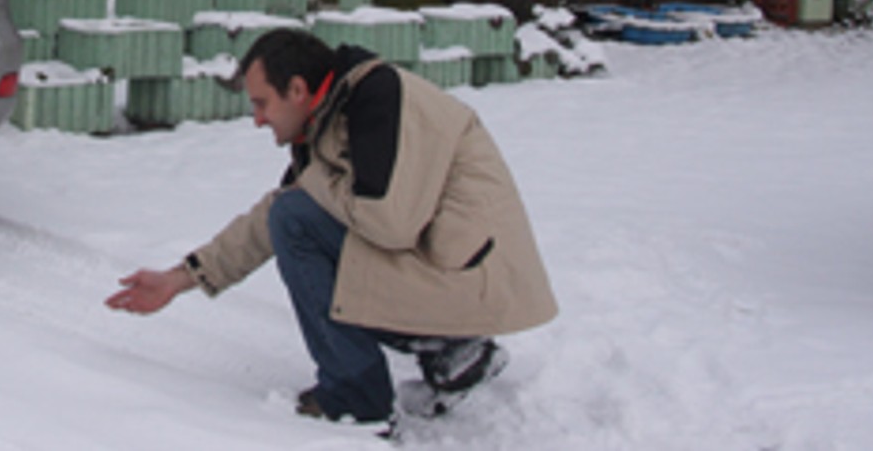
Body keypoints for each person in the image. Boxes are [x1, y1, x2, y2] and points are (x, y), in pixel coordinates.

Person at [106, 27, 556, 435]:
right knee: (295, 215)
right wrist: (178, 278)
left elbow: (390, 222)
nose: (257, 119)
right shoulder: (332, 112)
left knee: (298, 220)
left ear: (298, 90)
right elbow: (274, 216)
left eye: (262, 103)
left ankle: (359, 402)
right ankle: (453, 350)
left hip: (474, 279)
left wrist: (315, 178)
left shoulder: (377, 100)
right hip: (457, 274)